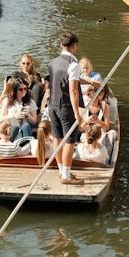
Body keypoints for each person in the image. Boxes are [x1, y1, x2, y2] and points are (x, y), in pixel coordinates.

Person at [48, 31, 85, 185]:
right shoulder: (73, 65)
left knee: (57, 138)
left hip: (53, 105)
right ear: (74, 46)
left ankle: (62, 171)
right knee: (70, 141)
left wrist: (89, 83)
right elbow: (73, 90)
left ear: (61, 45)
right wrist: (78, 114)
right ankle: (67, 176)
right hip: (66, 107)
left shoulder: (52, 62)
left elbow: (59, 81)